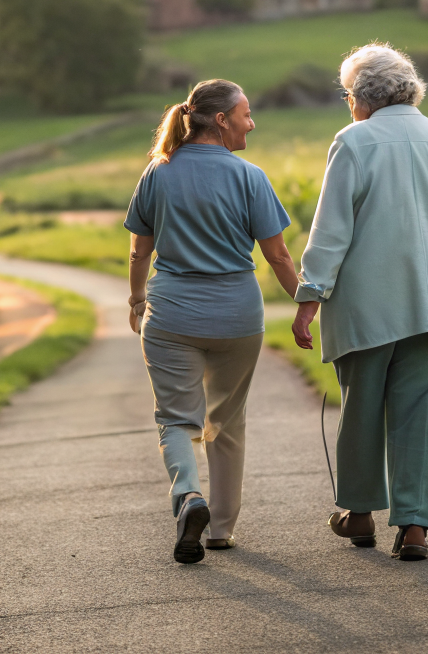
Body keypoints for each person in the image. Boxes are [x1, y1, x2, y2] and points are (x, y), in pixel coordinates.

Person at [292, 44, 428, 561]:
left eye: (346, 95)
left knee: (361, 406)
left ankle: (358, 513)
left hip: (367, 302)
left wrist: (310, 293)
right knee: (423, 413)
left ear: (360, 97)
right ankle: (415, 526)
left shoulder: (355, 140)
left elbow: (331, 228)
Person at [125, 78, 301, 564]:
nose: (251, 122)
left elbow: (140, 249)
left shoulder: (157, 173)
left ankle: (188, 496)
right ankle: (220, 529)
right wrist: (308, 303)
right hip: (238, 318)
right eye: (246, 113)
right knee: (227, 422)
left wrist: (137, 300)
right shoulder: (250, 176)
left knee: (177, 420)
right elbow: (280, 257)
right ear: (221, 120)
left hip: (172, 316)